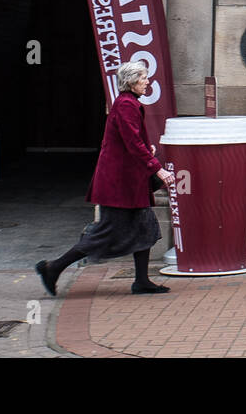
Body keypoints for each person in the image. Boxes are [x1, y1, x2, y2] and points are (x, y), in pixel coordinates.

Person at [36, 61, 175, 296]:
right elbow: (132, 143)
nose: (147, 81)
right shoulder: (126, 105)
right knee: (106, 233)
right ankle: (53, 268)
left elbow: (130, 141)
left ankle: (141, 281)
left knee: (146, 229)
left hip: (129, 182)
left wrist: (146, 150)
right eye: (143, 78)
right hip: (119, 184)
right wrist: (157, 169)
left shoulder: (129, 104)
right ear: (131, 81)